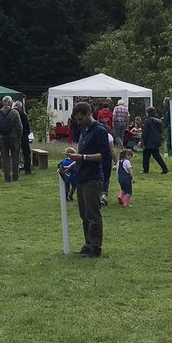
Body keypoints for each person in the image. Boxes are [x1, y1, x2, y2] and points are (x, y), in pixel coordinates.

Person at [63, 102, 110, 258]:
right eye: (77, 120)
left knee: (93, 214)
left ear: (89, 113)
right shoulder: (84, 130)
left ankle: (96, 247)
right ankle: (88, 244)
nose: (79, 122)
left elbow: (104, 156)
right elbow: (83, 154)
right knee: (84, 214)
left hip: (93, 178)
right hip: (81, 178)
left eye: (81, 119)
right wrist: (72, 165)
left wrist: (82, 157)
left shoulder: (100, 131)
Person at [0, 96, 22, 182]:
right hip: (14, 137)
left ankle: (7, 177)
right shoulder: (14, 112)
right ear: (10, 103)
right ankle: (15, 176)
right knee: (15, 157)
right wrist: (19, 135)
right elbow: (19, 126)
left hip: (2, 138)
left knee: (5, 158)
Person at [141, 106, 168, 174]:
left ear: (148, 113)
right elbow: (160, 130)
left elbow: (145, 132)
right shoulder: (158, 120)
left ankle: (145, 170)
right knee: (157, 155)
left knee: (146, 156)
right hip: (156, 139)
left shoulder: (147, 121)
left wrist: (142, 140)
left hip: (149, 141)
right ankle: (164, 168)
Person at [15, 100, 33, 176]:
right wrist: (27, 133)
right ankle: (27, 170)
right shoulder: (22, 114)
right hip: (23, 136)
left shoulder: (10, 113)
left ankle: (16, 170)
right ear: (20, 107)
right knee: (26, 153)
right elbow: (27, 126)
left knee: (15, 153)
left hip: (14, 136)